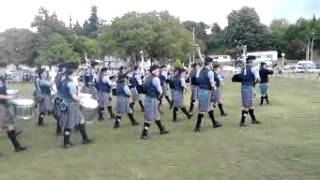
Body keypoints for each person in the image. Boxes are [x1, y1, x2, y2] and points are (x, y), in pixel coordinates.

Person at [60, 63, 92, 148]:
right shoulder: (71, 83)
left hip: (65, 104)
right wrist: (82, 100)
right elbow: (74, 96)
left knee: (78, 120)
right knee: (71, 124)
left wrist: (83, 95)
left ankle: (83, 139)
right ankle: (66, 143)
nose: (76, 74)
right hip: (71, 105)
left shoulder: (64, 81)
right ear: (72, 74)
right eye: (75, 73)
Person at [0, 62, 27, 152]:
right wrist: (9, 97)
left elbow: (3, 92)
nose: (5, 71)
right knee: (7, 125)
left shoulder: (2, 79)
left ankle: (17, 146)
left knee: (10, 125)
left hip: (4, 105)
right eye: (4, 69)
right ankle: (16, 146)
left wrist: (10, 97)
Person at [140, 64, 169, 139]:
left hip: (148, 98)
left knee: (157, 116)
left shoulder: (147, 78)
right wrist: (161, 94)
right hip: (151, 99)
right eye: (158, 70)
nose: (159, 71)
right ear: (153, 71)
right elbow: (160, 91)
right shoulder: (156, 79)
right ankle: (144, 134)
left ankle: (161, 130)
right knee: (149, 118)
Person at [194, 57, 222, 132]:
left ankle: (214, 123)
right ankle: (197, 127)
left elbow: (197, 79)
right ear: (210, 63)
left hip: (200, 91)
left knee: (210, 108)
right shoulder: (210, 72)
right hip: (206, 92)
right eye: (211, 63)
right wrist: (215, 88)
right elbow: (212, 83)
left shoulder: (199, 71)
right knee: (202, 110)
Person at [239, 56, 261, 127]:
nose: (255, 62)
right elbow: (258, 80)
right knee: (246, 106)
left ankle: (253, 119)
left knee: (251, 105)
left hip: (246, 87)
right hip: (247, 88)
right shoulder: (253, 69)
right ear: (251, 61)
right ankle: (242, 122)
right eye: (254, 61)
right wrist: (256, 79)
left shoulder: (243, 68)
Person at [52, 63, 65, 135]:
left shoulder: (57, 76)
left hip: (57, 95)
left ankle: (59, 130)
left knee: (59, 113)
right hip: (62, 97)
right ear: (63, 69)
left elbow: (52, 85)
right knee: (61, 114)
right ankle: (59, 130)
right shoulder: (62, 77)